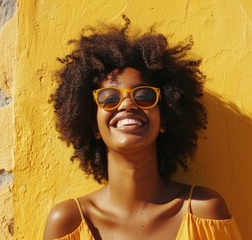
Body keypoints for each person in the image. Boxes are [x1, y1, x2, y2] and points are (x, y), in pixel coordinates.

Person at [43, 16, 242, 240]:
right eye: (109, 98)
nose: (127, 104)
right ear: (93, 125)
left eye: (144, 96)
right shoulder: (69, 223)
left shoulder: (204, 213)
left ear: (164, 119)